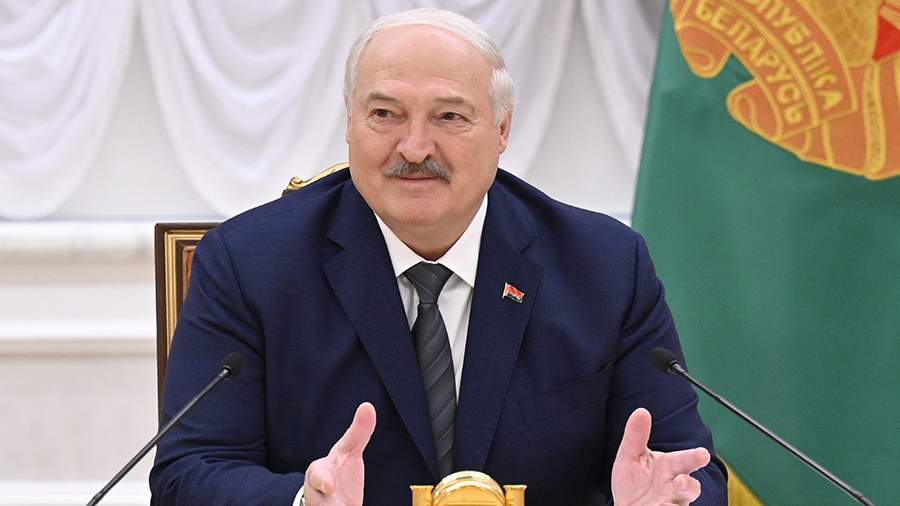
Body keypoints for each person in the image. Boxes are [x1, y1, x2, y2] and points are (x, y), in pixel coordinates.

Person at [150, 8, 727, 505]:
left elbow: (686, 468)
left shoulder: (603, 267)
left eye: (449, 116)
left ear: (502, 129)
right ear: (350, 123)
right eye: (384, 114)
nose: (414, 147)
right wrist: (303, 501)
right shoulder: (250, 264)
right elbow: (187, 473)